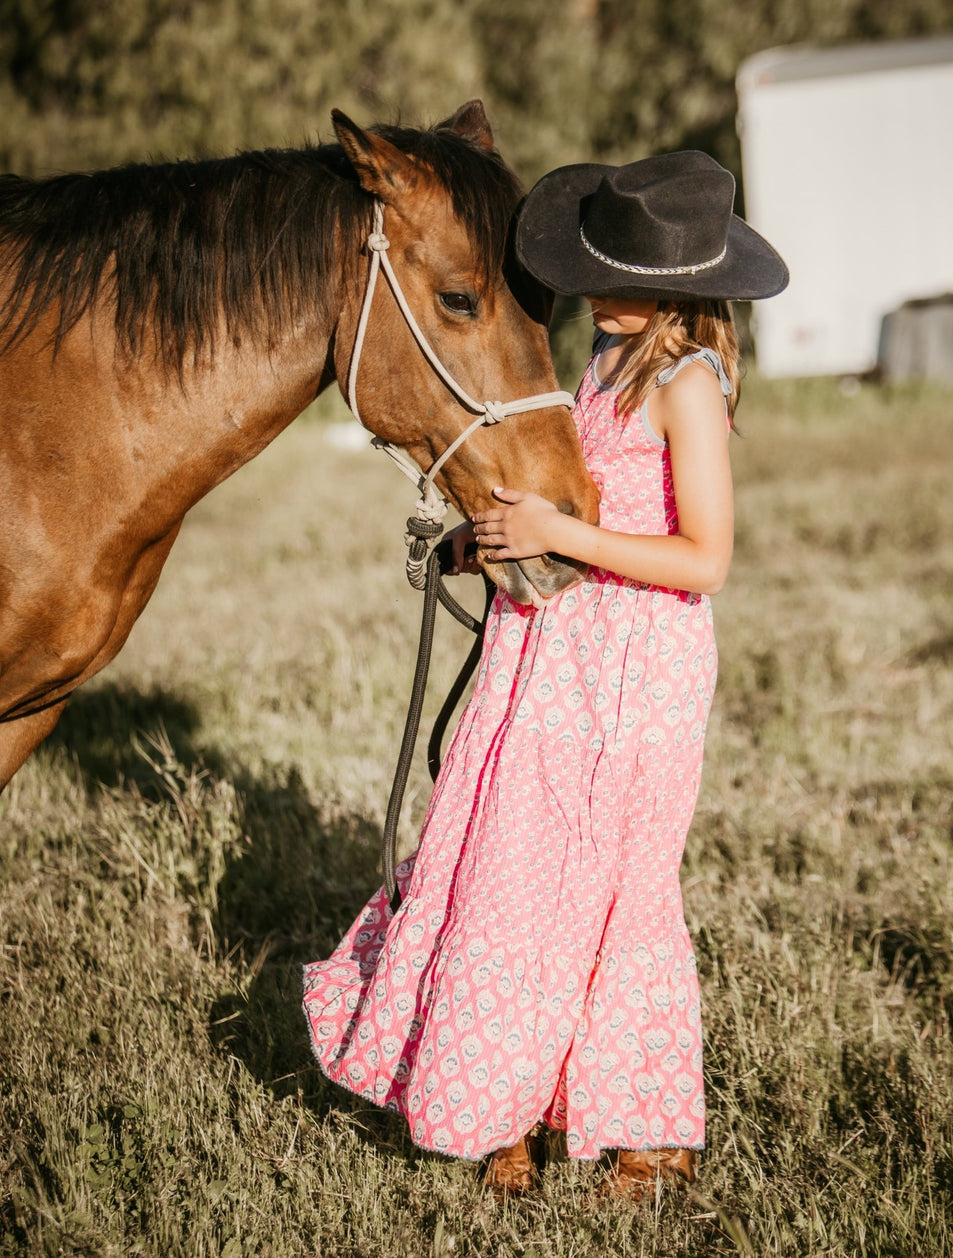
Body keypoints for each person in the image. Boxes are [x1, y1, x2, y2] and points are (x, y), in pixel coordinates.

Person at [302, 149, 788, 1198]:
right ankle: (506, 1103)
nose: (585, 287)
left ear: (674, 292)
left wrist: (561, 529)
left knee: (618, 889)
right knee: (509, 874)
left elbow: (706, 559)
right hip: (555, 649)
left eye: (614, 275)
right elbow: (579, 512)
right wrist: (501, 541)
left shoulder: (687, 385)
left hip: (637, 670)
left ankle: (646, 1126)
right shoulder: (602, 363)